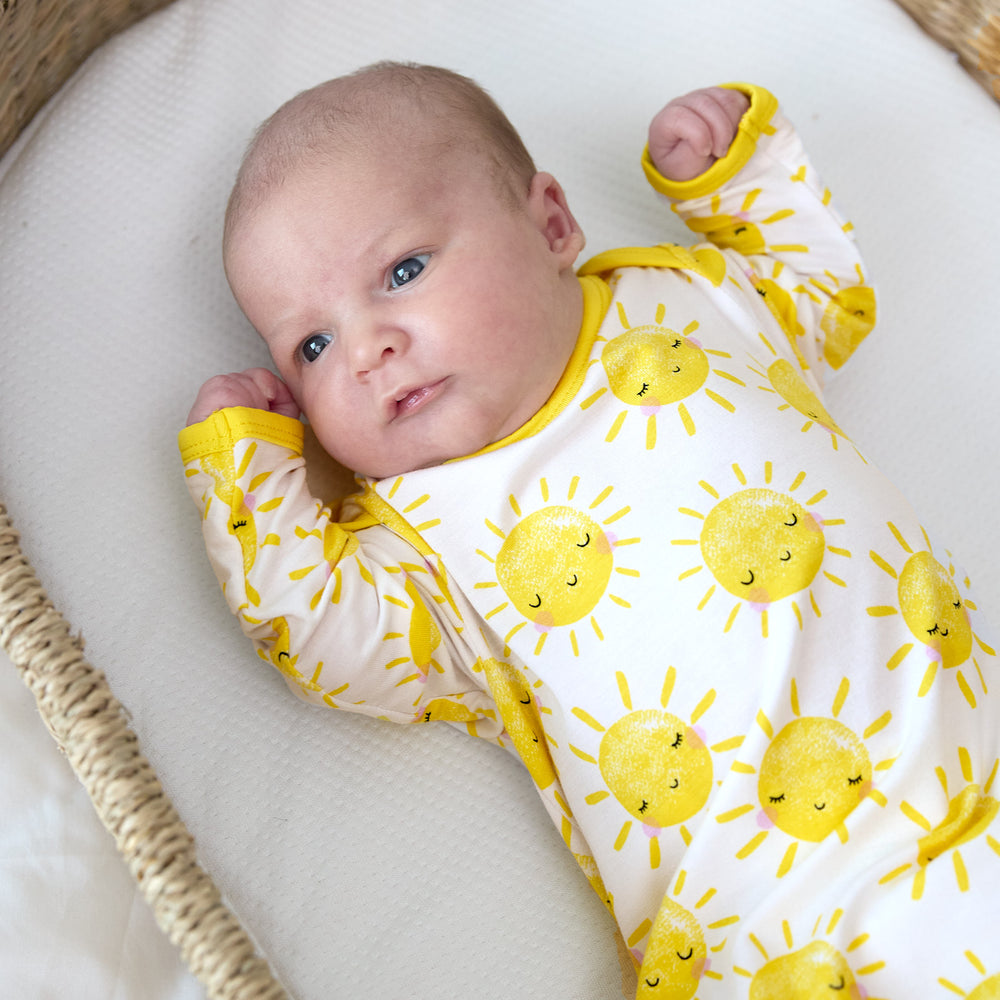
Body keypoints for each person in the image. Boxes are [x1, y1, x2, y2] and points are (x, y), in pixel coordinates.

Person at [180, 62, 1000, 996]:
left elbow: (820, 287)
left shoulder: (691, 301)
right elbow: (322, 636)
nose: (367, 351)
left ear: (552, 226)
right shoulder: (421, 543)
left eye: (402, 272)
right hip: (772, 931)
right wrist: (249, 472)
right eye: (311, 346)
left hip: (972, 774)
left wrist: (736, 174)